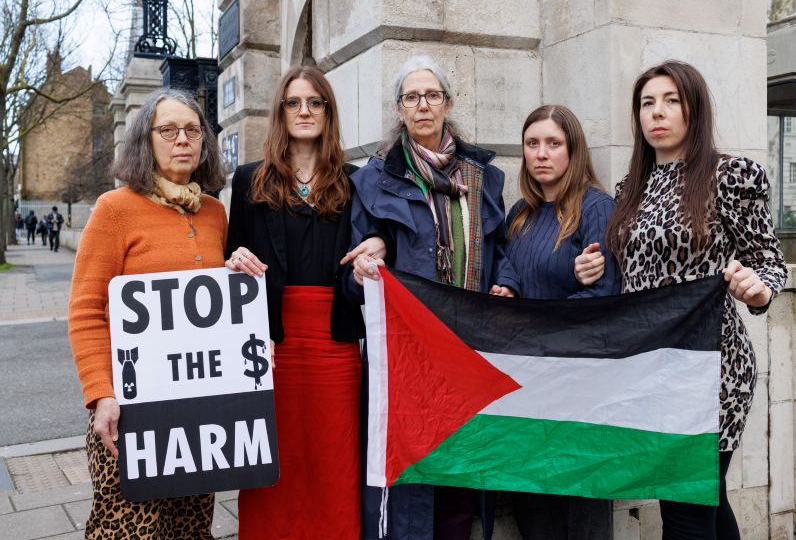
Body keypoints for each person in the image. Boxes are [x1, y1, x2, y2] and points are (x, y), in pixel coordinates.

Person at [575, 60, 787, 539]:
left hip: (712, 369)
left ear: (695, 109)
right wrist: (594, 267)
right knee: (704, 502)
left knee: (685, 512)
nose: (658, 112)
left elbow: (770, 260)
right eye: (648, 103)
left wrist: (759, 287)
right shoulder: (633, 186)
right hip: (651, 368)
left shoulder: (732, 176)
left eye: (671, 101)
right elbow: (635, 269)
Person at [344, 54, 520, 540]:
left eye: (432, 95)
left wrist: (507, 283)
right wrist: (362, 270)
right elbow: (349, 276)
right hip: (406, 361)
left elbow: (500, 246)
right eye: (411, 97)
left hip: (467, 353)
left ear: (448, 103)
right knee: (411, 480)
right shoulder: (372, 179)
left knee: (460, 481)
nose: (423, 105)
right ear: (399, 109)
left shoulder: (484, 177)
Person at [67, 88, 226, 539]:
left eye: (193, 130)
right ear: (145, 140)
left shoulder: (214, 213)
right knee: (126, 530)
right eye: (168, 130)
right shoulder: (114, 210)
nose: (182, 140)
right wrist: (101, 395)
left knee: (192, 528)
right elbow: (85, 310)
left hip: (199, 412)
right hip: (130, 410)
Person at [224, 65, 369, 539]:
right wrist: (234, 258)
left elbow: (367, 251)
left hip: (334, 343)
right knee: (272, 459)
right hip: (270, 344)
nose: (304, 111)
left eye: (314, 102)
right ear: (280, 113)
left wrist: (379, 249)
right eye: (294, 102)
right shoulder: (248, 182)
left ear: (328, 112)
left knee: (333, 458)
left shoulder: (355, 182)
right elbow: (232, 257)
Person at [504, 105, 618, 539]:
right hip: (526, 386)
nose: (541, 154)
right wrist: (507, 287)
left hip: (577, 386)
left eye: (553, 144)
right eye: (532, 144)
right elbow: (507, 266)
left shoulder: (595, 208)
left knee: (580, 508)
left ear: (573, 150)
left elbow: (602, 298)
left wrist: (546, 314)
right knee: (534, 508)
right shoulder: (520, 213)